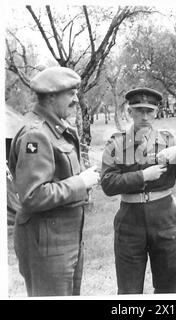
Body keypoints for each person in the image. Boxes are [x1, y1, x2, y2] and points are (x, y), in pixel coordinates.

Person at [101, 87, 176, 294]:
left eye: (149, 111)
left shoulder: (169, 140)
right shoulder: (116, 142)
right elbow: (107, 183)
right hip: (129, 221)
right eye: (139, 110)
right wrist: (143, 176)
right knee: (128, 290)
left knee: (167, 287)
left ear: (156, 112)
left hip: (165, 219)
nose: (144, 116)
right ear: (129, 111)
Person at [8, 66, 100, 296]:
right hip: (47, 243)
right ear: (50, 96)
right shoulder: (36, 134)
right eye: (70, 94)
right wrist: (80, 182)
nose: (76, 100)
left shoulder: (57, 127)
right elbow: (32, 196)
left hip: (65, 238)